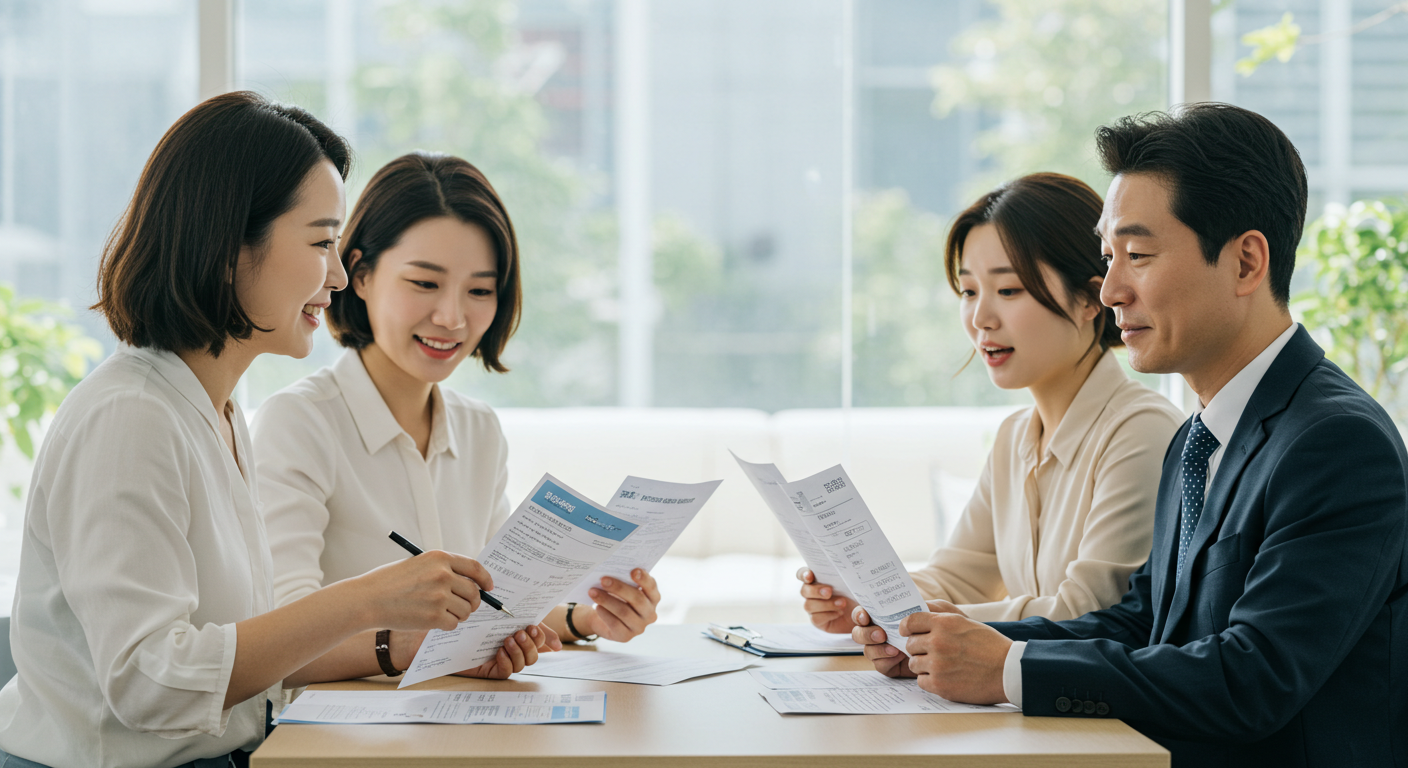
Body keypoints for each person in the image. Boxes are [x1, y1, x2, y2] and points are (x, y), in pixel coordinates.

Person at [854, 103, 1408, 766]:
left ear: (1246, 263)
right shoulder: (1199, 439)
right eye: (1108, 256)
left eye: (1138, 255)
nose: (1111, 290)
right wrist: (948, 638)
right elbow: (1138, 623)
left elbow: (1253, 679)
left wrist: (1009, 669)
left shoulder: (1337, 443)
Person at [0, 93, 541, 768]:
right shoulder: (129, 419)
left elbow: (245, 662)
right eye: (321, 243)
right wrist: (368, 599)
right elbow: (149, 683)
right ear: (227, 245)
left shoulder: (215, 413)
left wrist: (402, 639)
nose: (339, 276)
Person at [251, 151, 660, 673]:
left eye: (480, 291)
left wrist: (588, 617)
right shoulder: (298, 423)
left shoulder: (480, 430)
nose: (451, 317)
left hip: (458, 724)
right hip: (336, 738)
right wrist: (407, 647)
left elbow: (498, 604)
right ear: (359, 273)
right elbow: (281, 631)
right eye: (424, 283)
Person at [798, 173, 1182, 629]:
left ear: (1089, 298)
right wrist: (864, 604)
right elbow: (956, 577)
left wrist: (929, 623)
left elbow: (1090, 612)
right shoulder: (1014, 437)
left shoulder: (1142, 431)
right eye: (968, 291)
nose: (981, 318)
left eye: (1008, 290)